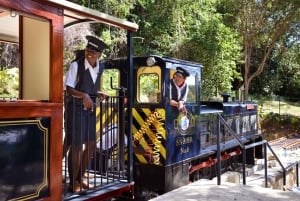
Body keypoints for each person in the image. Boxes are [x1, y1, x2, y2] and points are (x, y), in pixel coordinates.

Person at [64, 35, 108, 192]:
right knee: (76, 146)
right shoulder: (76, 65)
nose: (90, 53)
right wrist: (83, 95)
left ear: (99, 54)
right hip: (75, 109)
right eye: (88, 49)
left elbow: (91, 88)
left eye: (94, 52)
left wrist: (98, 93)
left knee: (90, 145)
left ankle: (79, 178)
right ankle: (72, 183)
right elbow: (68, 89)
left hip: (89, 110)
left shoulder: (100, 67)